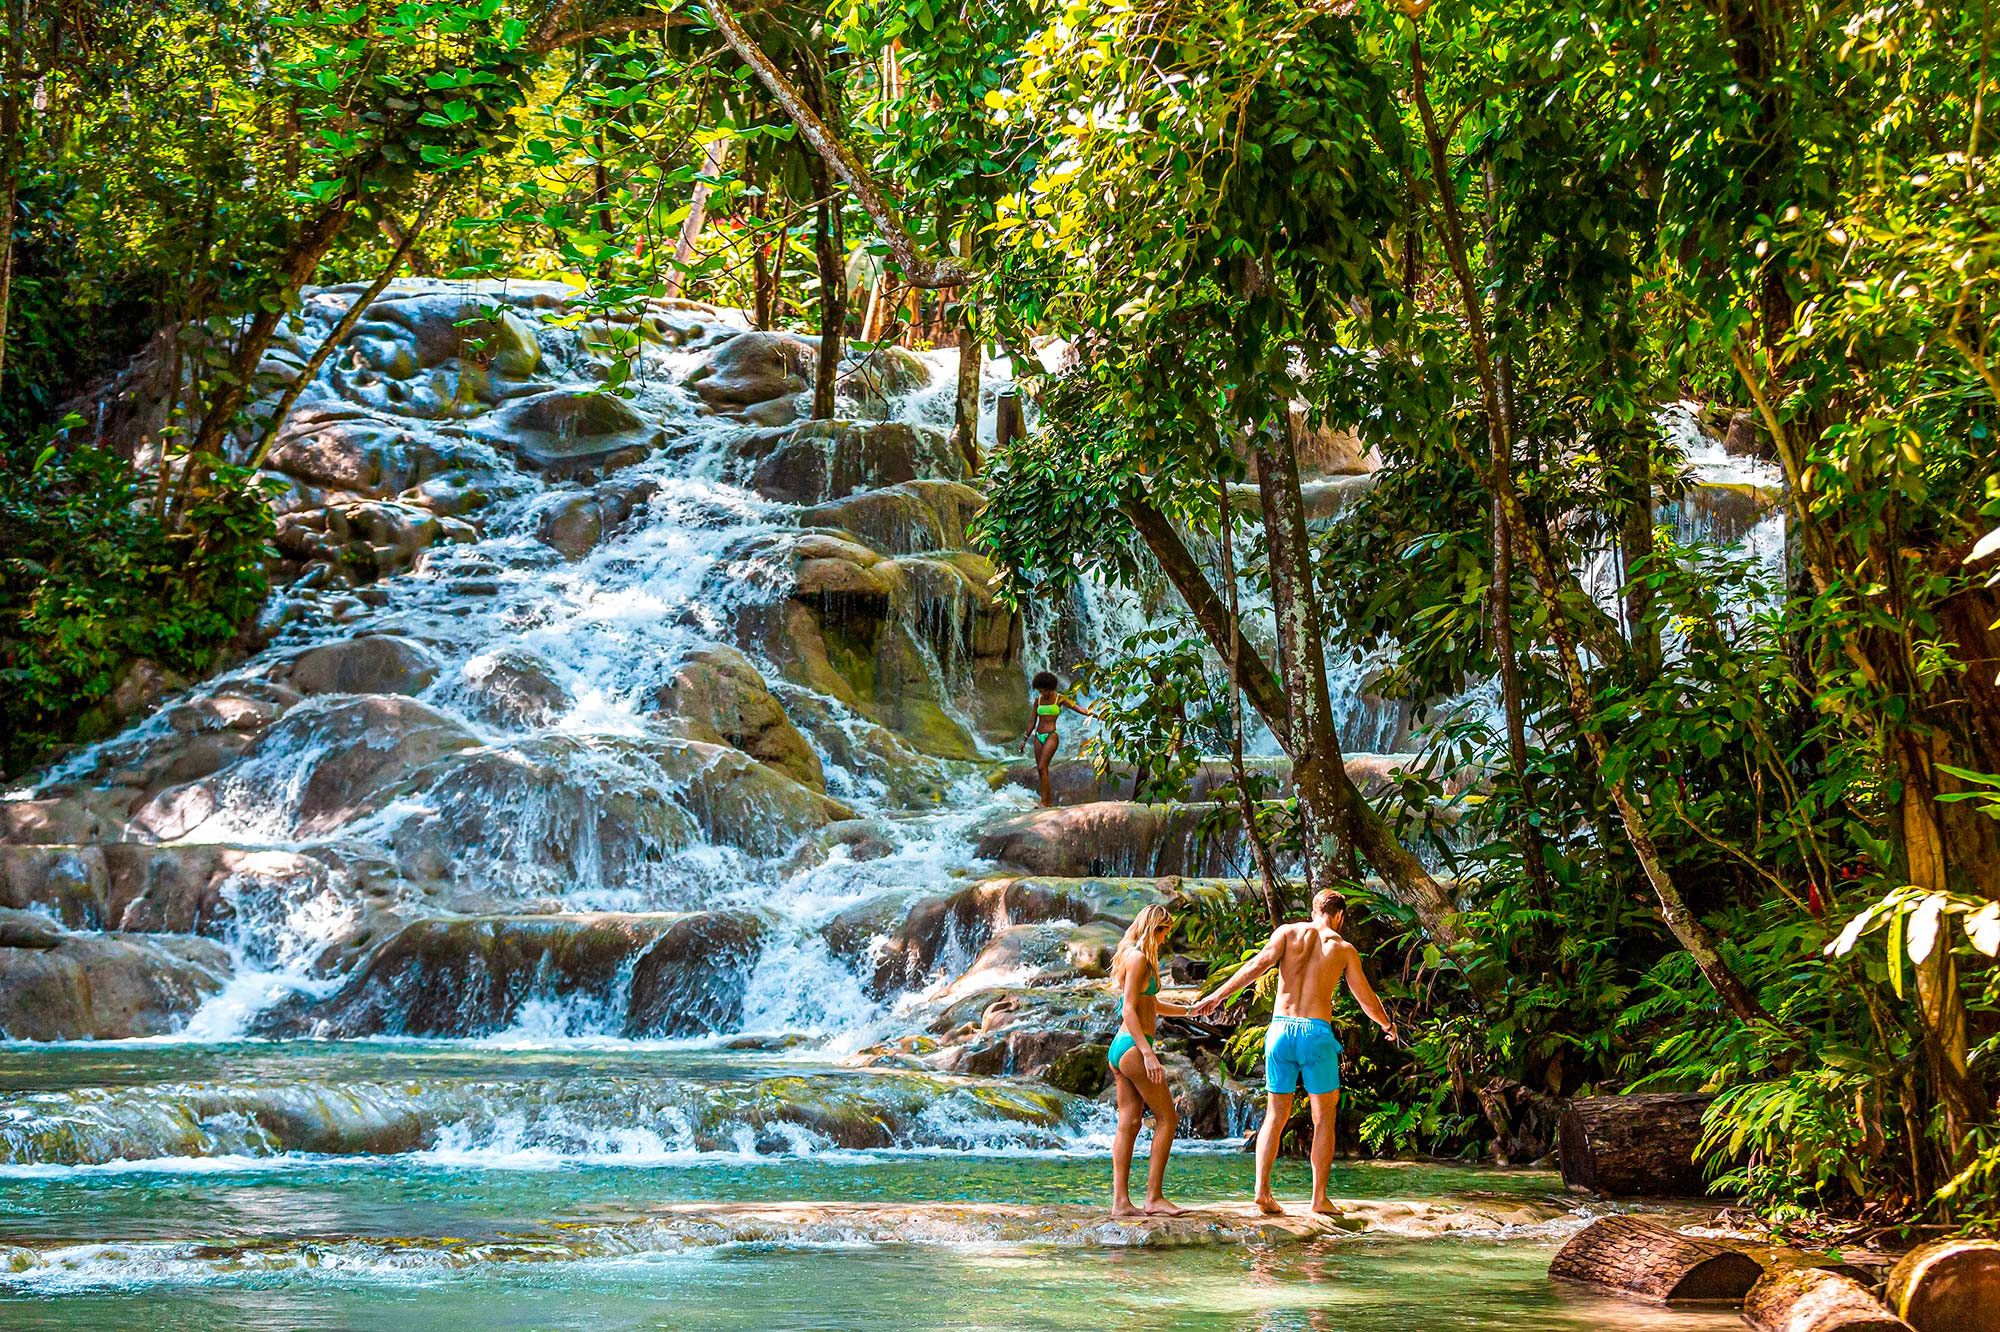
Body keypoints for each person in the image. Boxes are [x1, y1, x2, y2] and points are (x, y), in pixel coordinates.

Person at [1190, 888, 1397, 1216]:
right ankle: (1318, 1199)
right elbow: (1365, 997)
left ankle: (1262, 1191)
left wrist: (1216, 996)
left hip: (1280, 1031)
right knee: (1324, 1116)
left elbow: (1255, 967)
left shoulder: (1287, 933)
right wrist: (1387, 1024)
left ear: (1314, 909)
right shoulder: (1342, 949)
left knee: (1275, 1115)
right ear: (1339, 916)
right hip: (1316, 1035)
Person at [1107, 903, 1190, 1218]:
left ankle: (1120, 1204)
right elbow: (1128, 1009)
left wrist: (1190, 1010)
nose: (1167, 938)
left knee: (1128, 1124)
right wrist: (1148, 1053)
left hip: (1120, 1047)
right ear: (1154, 928)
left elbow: (1150, 1004)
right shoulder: (1140, 959)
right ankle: (1154, 1197)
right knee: (1168, 1119)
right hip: (1133, 1047)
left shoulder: (1130, 954)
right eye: (1165, 931)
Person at [1024, 671, 1096, 807]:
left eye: (1044, 690)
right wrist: (1024, 739)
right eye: (1039, 691)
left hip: (1052, 735)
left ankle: (1045, 803)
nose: (1042, 693)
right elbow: (1032, 722)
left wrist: (1096, 715)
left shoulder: (1060, 699)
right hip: (1038, 736)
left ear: (1050, 688)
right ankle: (1046, 801)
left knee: (1042, 766)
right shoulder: (1038, 701)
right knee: (1041, 770)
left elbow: (1077, 708)